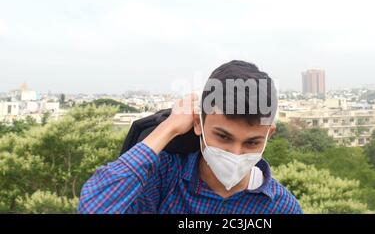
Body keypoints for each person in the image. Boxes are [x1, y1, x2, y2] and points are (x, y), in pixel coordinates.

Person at [78, 60, 302, 214]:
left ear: (268, 134)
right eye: (223, 137)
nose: (235, 153)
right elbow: (94, 206)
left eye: (252, 142)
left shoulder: (281, 207)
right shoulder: (164, 177)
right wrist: (170, 127)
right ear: (198, 123)